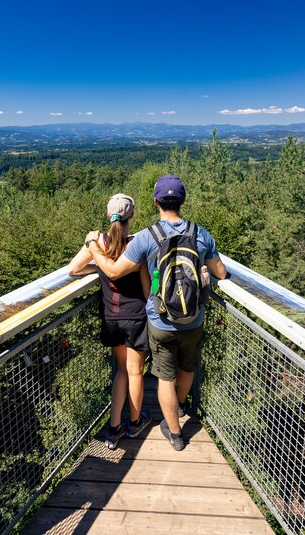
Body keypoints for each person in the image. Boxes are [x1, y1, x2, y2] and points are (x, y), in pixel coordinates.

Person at [85, 175, 226, 451]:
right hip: (193, 318)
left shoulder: (147, 237)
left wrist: (92, 246)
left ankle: (175, 433)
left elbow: (113, 271)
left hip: (160, 320)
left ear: (155, 203)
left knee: (164, 377)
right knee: (187, 367)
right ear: (183, 201)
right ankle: (182, 404)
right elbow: (220, 271)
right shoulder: (200, 233)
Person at [67, 193, 152, 450]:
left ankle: (113, 429)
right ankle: (135, 422)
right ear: (132, 217)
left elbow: (73, 269)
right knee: (136, 371)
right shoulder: (137, 244)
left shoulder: (98, 241)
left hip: (111, 317)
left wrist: (99, 263)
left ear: (108, 216)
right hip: (136, 316)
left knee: (121, 372)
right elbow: (147, 290)